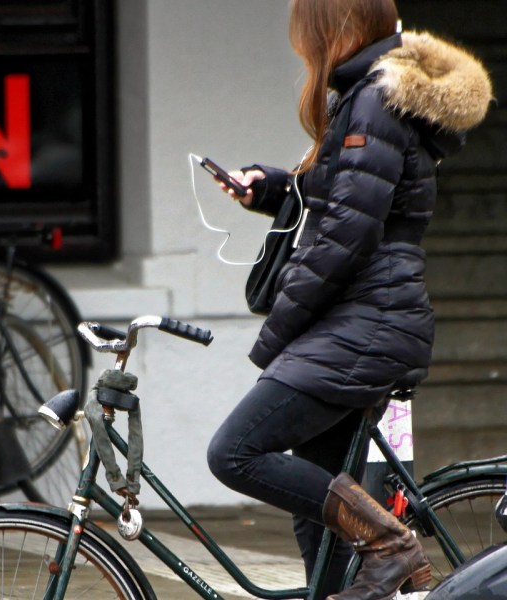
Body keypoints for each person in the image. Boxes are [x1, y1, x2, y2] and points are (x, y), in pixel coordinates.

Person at [205, 1, 492, 599]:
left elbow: (347, 234)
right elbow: (347, 199)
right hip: (362, 316)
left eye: (305, 37)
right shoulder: (368, 93)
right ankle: (367, 562)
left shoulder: (375, 98)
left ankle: (391, 544)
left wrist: (280, 327)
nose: (303, 51)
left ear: (333, 29)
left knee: (235, 451)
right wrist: (274, 187)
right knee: (321, 519)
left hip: (366, 319)